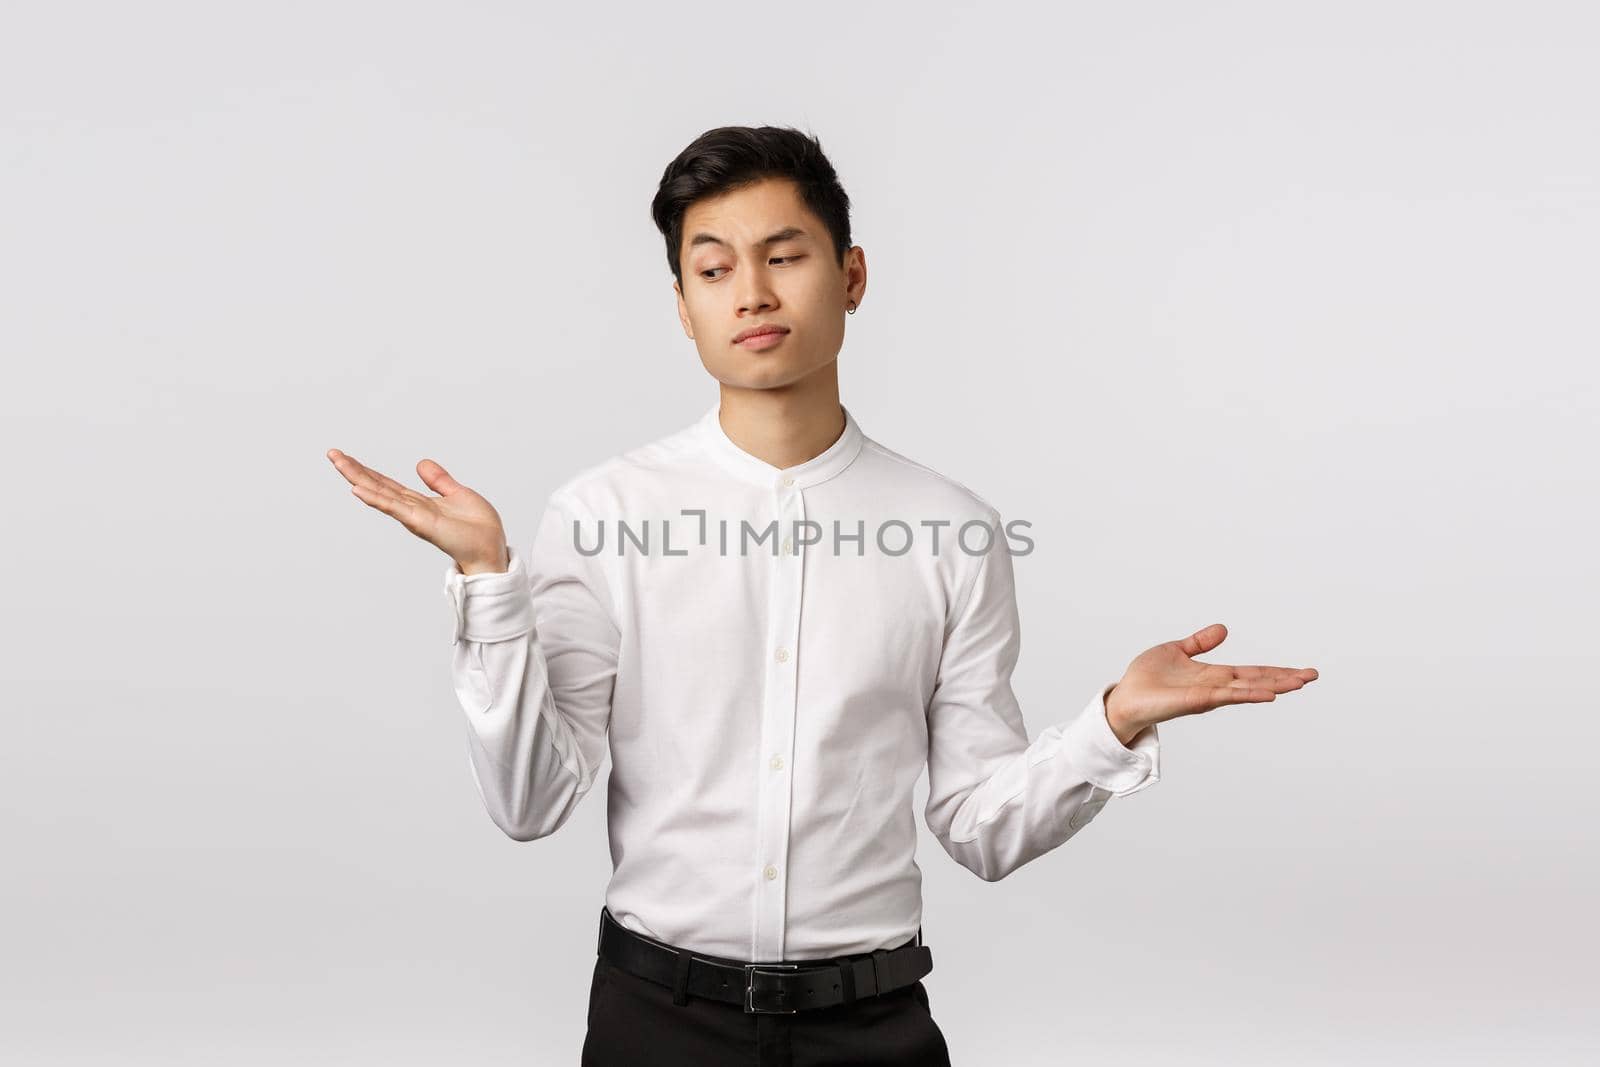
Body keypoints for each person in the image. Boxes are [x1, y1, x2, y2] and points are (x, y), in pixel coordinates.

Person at [326, 124, 1319, 1066]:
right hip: (656, 1026)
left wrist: (1111, 722)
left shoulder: (953, 529)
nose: (750, 292)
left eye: (783, 256)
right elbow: (531, 800)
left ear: (850, 275)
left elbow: (980, 824)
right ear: (683, 308)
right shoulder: (600, 514)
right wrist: (489, 584)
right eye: (713, 269)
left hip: (873, 1028)